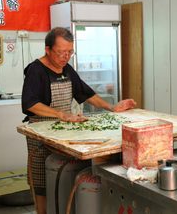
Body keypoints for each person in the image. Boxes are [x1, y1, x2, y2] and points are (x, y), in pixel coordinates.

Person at [21, 27, 136, 214]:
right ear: (48, 50)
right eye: (61, 52)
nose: (65, 57)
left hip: (62, 132)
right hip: (40, 133)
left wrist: (112, 107)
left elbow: (86, 93)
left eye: (69, 52)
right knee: (43, 182)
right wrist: (61, 114)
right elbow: (30, 103)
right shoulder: (36, 70)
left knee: (62, 177)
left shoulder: (67, 69)